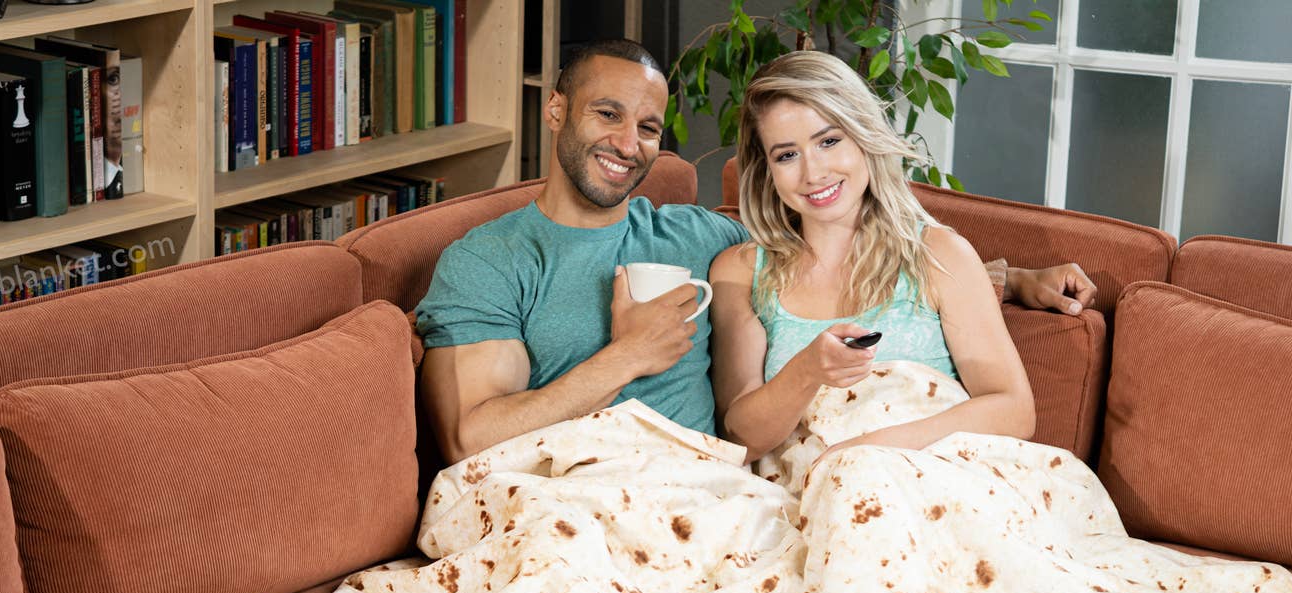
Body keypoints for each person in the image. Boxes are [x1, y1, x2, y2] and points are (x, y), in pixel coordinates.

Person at [414, 38, 1095, 464]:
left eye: (648, 126)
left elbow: (847, 254)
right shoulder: (490, 261)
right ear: (556, 109)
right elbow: (471, 442)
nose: (627, 144)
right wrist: (629, 355)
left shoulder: (701, 238)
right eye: (607, 114)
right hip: (584, 492)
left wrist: (1013, 279)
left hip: (719, 495)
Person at [710, 50, 1034, 467]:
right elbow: (741, 440)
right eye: (787, 155)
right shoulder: (739, 272)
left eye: (829, 141)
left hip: (927, 478)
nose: (813, 173)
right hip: (803, 487)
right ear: (766, 168)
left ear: (863, 135)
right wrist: (806, 371)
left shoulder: (939, 255)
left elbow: (1013, 408)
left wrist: (868, 452)